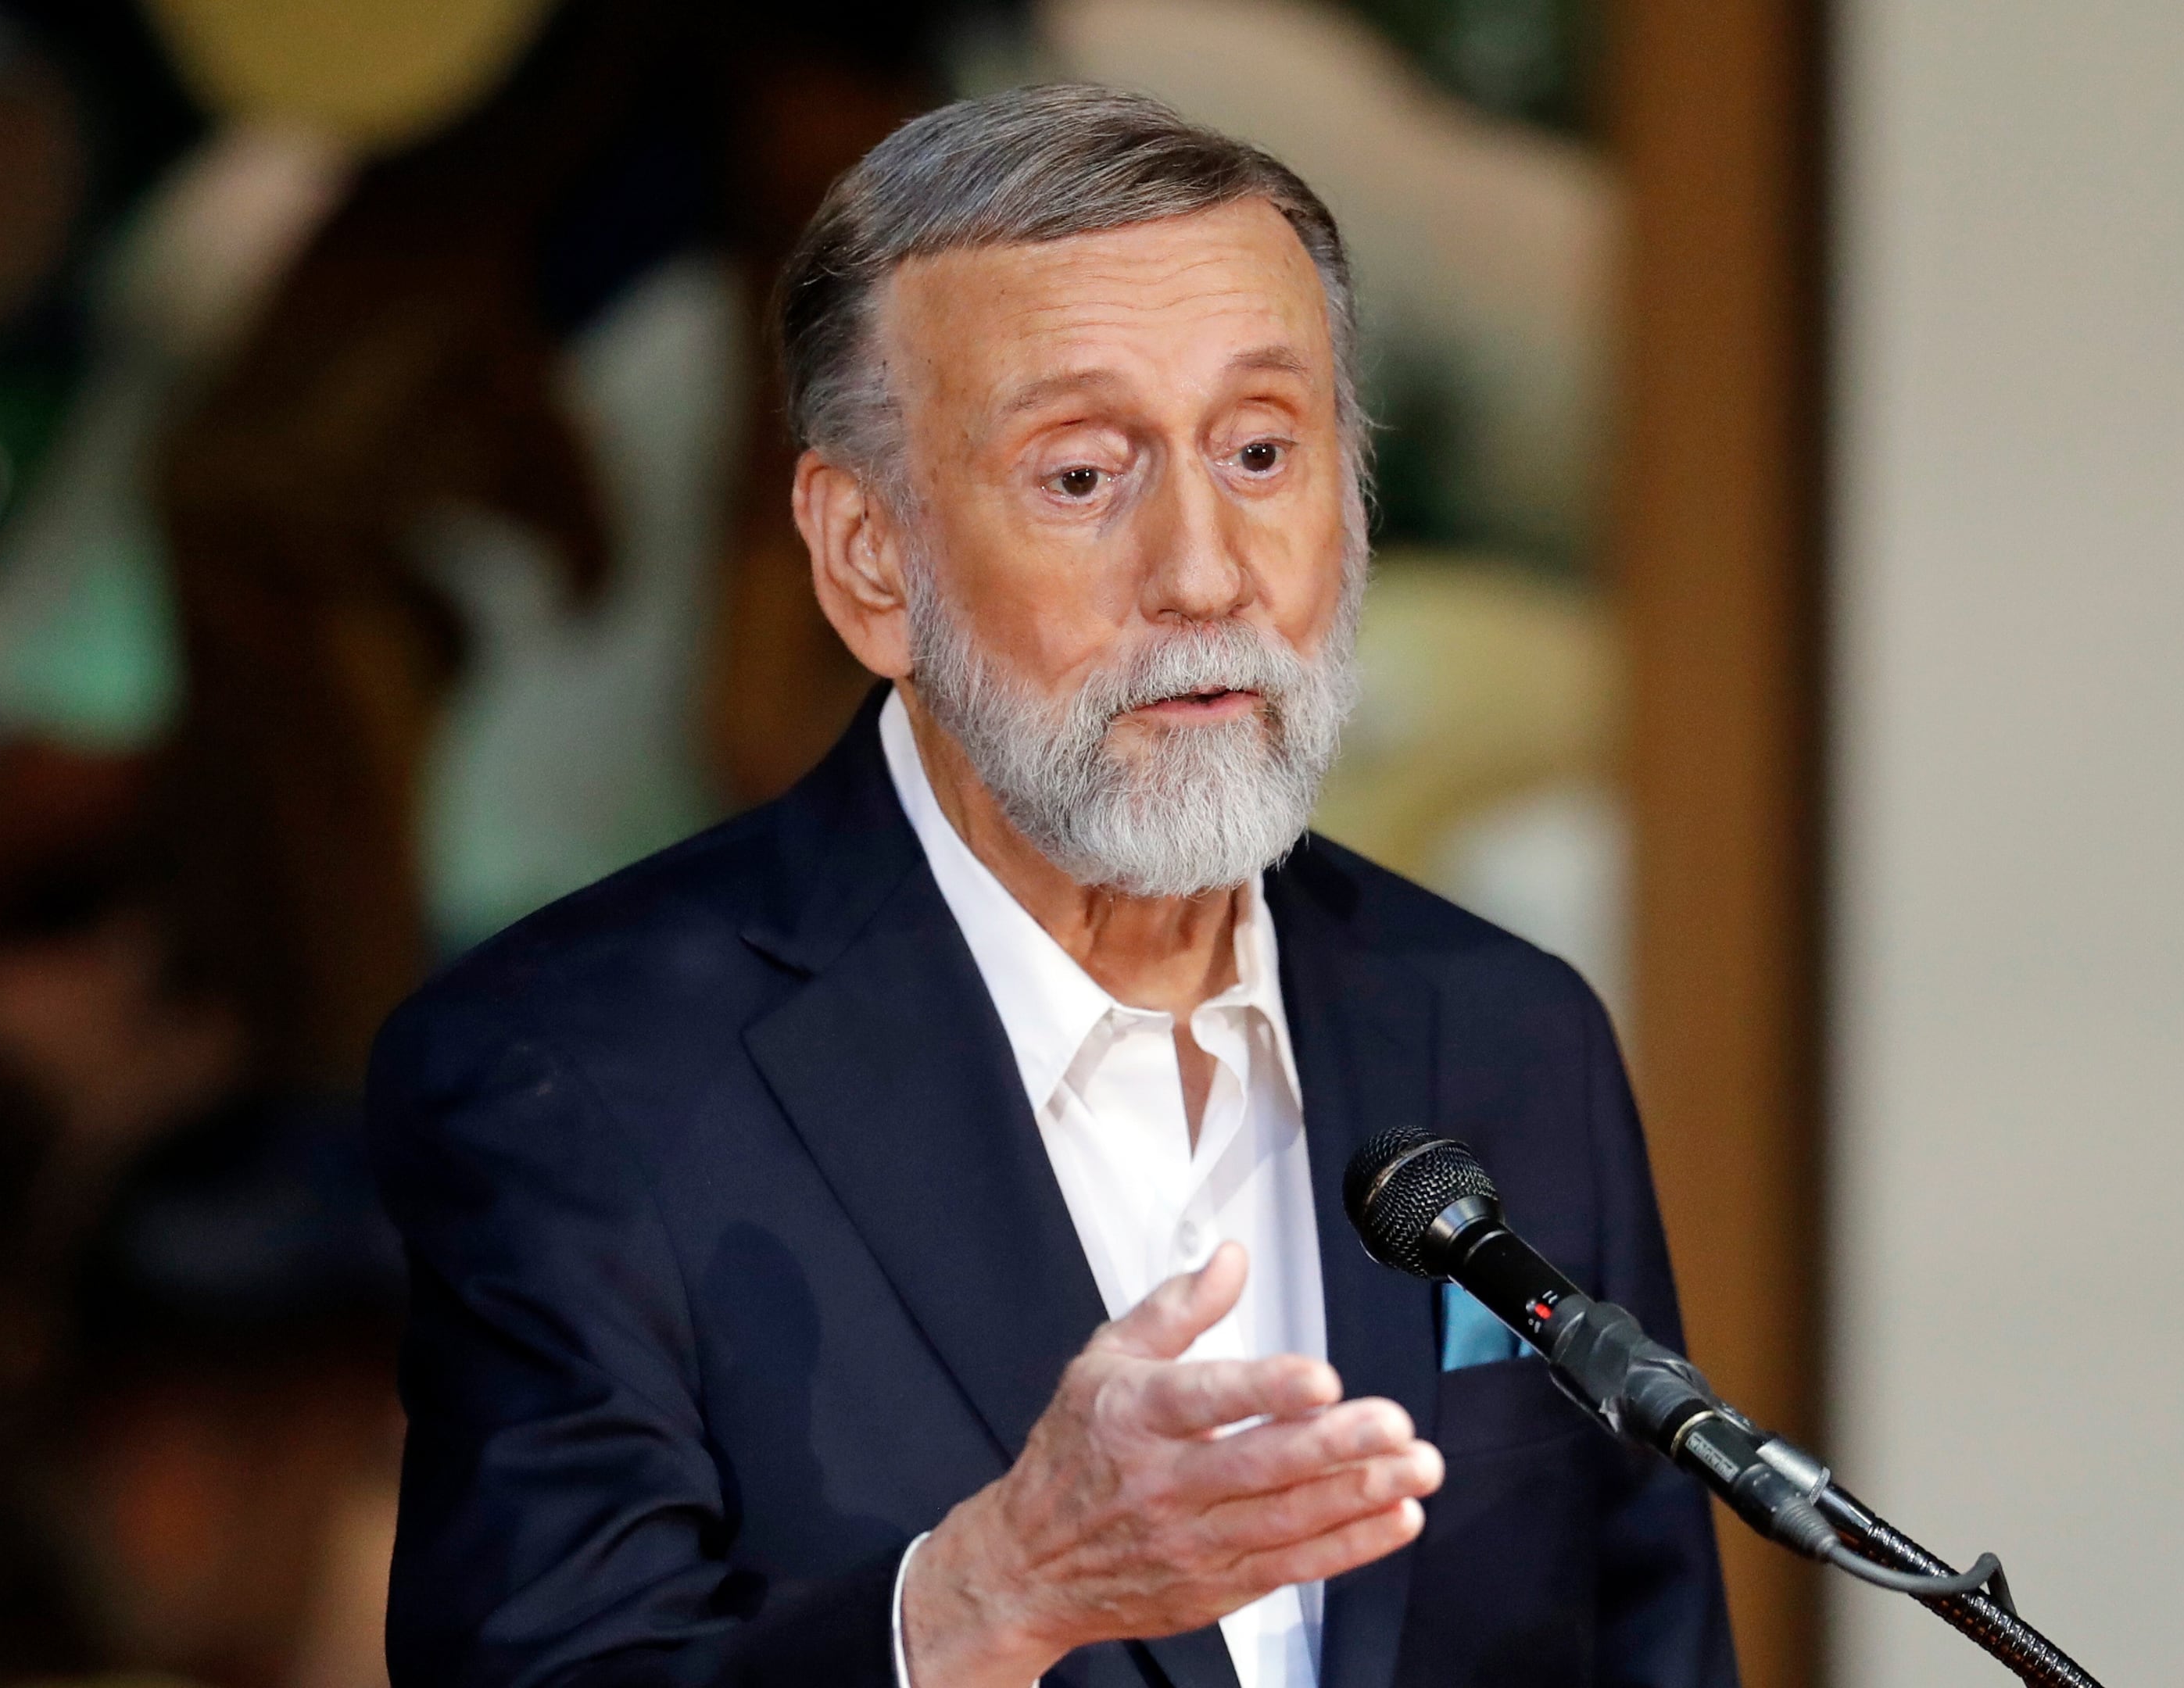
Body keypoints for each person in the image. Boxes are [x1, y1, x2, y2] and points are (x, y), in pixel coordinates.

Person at [368, 84, 1737, 1688]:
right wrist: (972, 1605)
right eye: (1083, 477)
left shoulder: (1507, 1035)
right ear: (869, 557)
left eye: (1260, 451)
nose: (1208, 571)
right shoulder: (578, 1079)